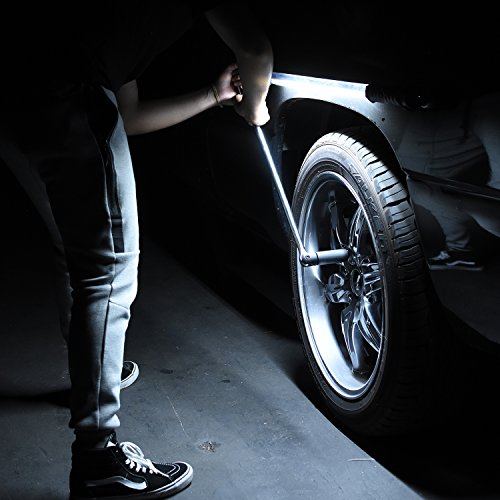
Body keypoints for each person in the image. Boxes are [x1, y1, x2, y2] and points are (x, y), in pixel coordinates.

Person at [0, 2, 273, 499]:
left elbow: (130, 116)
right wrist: (255, 106)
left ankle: (90, 375)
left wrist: (214, 94)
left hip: (14, 89)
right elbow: (256, 51)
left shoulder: (109, 31)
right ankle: (98, 460)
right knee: (108, 272)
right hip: (65, 90)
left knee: (74, 247)